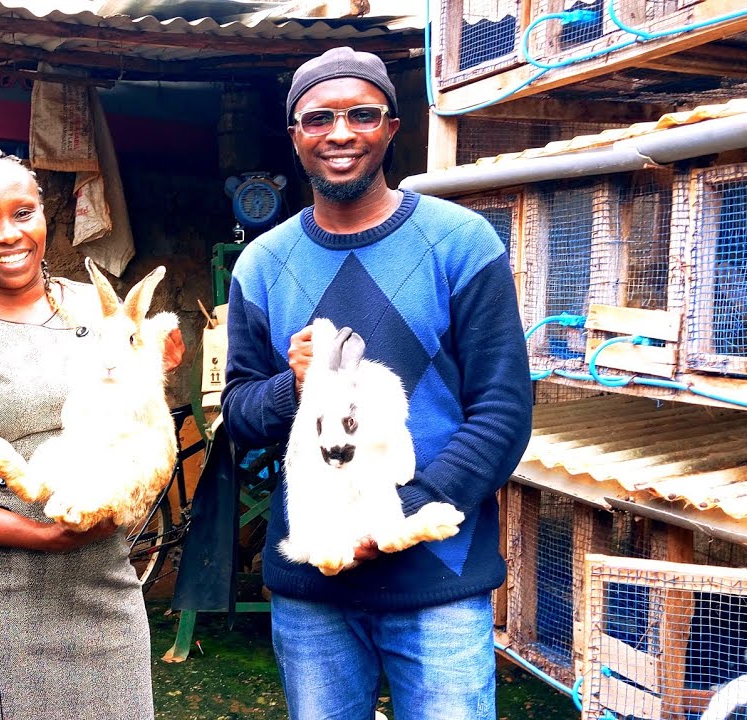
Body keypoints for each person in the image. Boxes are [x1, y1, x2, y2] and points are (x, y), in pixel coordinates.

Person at [219, 48, 533, 720]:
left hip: (438, 575)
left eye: (362, 115)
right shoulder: (262, 264)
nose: (340, 132)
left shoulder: (460, 243)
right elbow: (239, 412)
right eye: (318, 118)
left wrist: (399, 515)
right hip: (314, 575)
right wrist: (292, 389)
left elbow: (503, 411)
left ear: (392, 127)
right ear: (295, 135)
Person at [0, 149, 181, 719]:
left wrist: (157, 368)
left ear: (45, 217)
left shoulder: (98, 314)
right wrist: (42, 536)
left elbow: (140, 426)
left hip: (101, 585)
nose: (7, 234)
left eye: (22, 213)